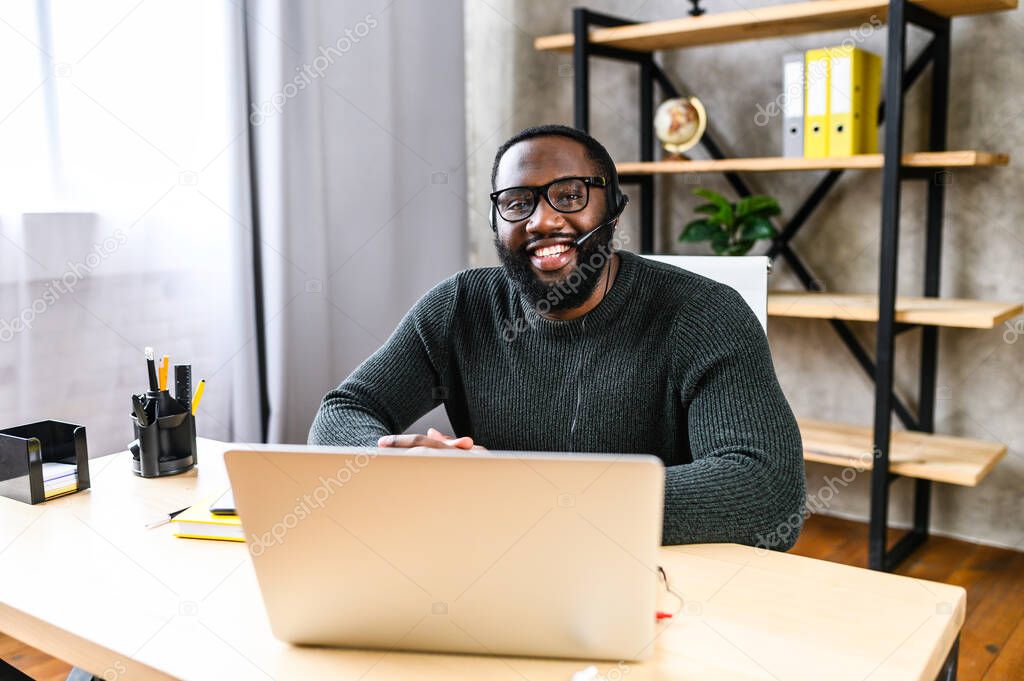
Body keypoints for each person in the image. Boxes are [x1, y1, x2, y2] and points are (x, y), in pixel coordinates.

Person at [309, 124, 806, 549]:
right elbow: (342, 412)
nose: (543, 220)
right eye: (517, 203)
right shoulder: (459, 306)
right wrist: (396, 461)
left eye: (570, 195)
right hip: (497, 566)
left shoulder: (704, 314)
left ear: (613, 208)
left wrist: (525, 494)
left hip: (647, 574)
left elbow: (766, 488)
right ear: (495, 222)